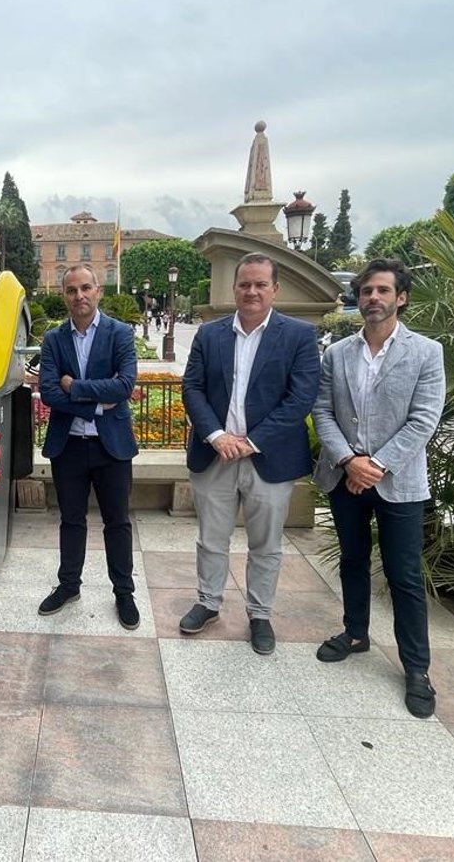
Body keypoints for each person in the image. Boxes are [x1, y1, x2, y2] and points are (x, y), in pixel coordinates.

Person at [311, 258, 445, 718]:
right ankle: (355, 633)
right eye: (367, 291)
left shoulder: (426, 352)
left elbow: (424, 419)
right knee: (352, 560)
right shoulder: (337, 353)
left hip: (399, 482)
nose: (373, 298)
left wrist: (377, 464)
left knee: (403, 575)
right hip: (345, 476)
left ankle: (417, 668)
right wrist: (349, 460)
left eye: (383, 291)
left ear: (400, 298)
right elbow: (322, 410)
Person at [179, 252, 319, 653]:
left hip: (269, 458)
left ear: (275, 289)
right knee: (211, 538)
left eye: (260, 284)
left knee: (266, 544)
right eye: (245, 284)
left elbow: (300, 398)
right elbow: (193, 387)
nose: (252, 291)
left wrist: (252, 441)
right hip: (215, 455)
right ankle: (208, 602)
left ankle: (260, 614)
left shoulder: (299, 336)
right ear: (234, 288)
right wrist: (216, 435)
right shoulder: (210, 335)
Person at [37, 264, 140, 629]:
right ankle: (69, 585)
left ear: (99, 291)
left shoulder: (120, 333)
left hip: (111, 446)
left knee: (117, 521)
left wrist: (74, 386)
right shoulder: (53, 339)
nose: (79, 296)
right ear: (63, 295)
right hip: (68, 445)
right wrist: (96, 404)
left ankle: (124, 592)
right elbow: (49, 392)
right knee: (71, 520)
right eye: (71, 290)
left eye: (85, 288)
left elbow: (124, 386)